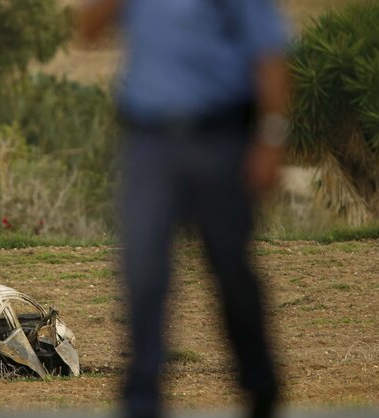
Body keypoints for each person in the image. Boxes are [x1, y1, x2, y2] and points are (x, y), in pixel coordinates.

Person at [80, 1, 291, 418]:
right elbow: (87, 31)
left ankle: (259, 386)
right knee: (142, 270)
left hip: (219, 140)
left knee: (230, 269)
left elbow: (269, 54)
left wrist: (270, 139)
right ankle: (142, 398)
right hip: (148, 142)